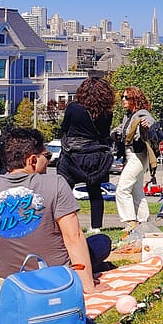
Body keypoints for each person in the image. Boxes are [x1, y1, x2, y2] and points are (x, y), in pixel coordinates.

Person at [0, 128, 111, 294]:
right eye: (46, 156)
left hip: (10, 280)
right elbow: (73, 238)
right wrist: (88, 287)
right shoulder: (55, 183)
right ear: (32, 160)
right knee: (101, 242)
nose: (48, 161)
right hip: (56, 277)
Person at [56, 78, 115, 234]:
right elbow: (104, 135)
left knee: (64, 191)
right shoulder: (107, 113)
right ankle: (95, 227)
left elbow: (64, 128)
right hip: (94, 156)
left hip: (72, 155)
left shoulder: (73, 108)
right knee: (95, 192)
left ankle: (64, 225)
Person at [112, 86, 156, 232]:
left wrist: (147, 124)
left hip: (138, 155)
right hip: (131, 155)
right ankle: (144, 222)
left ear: (134, 100)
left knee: (122, 189)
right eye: (122, 97)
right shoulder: (128, 115)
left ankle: (130, 221)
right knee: (137, 191)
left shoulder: (141, 113)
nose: (123, 100)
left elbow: (150, 119)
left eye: (127, 97)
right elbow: (124, 129)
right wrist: (116, 132)